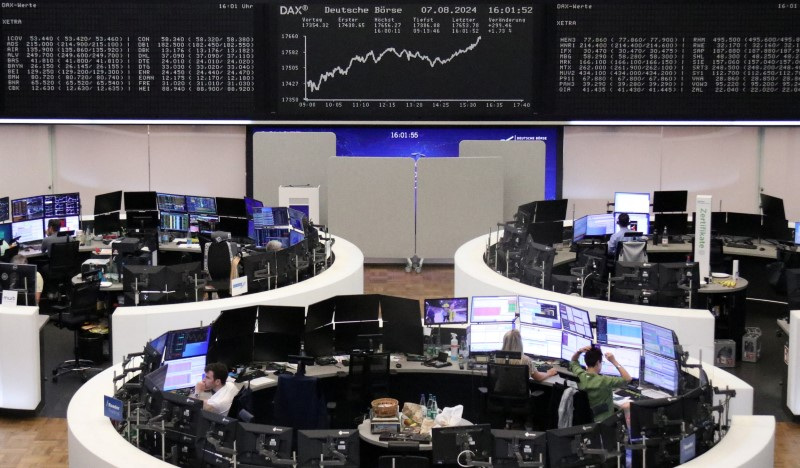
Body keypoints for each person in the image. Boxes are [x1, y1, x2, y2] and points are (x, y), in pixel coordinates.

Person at [570, 345, 632, 422]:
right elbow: (628, 378)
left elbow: (573, 361)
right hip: (605, 422)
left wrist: (579, 351)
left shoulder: (580, 375)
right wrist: (613, 361)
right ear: (598, 362)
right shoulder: (605, 381)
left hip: (587, 419)